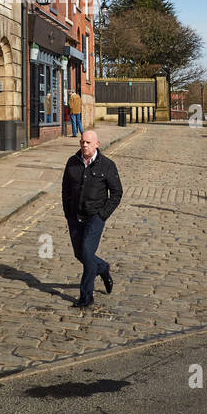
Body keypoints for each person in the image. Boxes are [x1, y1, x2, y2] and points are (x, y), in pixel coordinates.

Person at [61, 130, 123, 309]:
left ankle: (86, 296)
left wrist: (103, 214)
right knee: (79, 254)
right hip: (74, 216)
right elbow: (65, 190)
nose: (84, 145)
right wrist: (67, 212)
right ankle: (102, 268)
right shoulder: (72, 162)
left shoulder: (107, 165)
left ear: (97, 144)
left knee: (87, 254)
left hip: (95, 216)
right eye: (82, 142)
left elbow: (117, 193)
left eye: (88, 142)